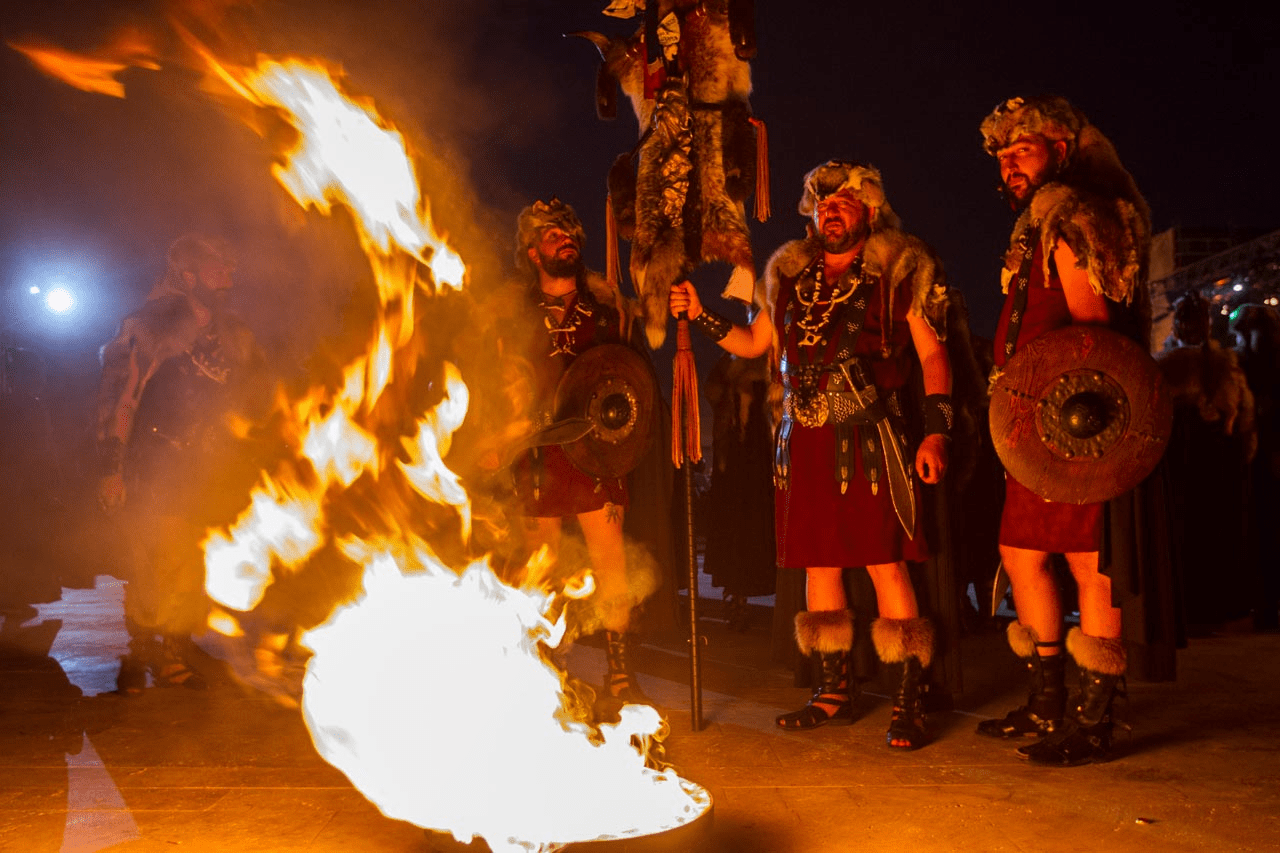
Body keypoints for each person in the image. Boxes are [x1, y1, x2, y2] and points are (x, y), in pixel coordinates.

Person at [670, 161, 953, 750]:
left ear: (869, 211)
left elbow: (931, 356)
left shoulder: (896, 275)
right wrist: (698, 314)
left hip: (869, 443)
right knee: (818, 566)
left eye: (845, 200)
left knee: (885, 565)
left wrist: (936, 431)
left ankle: (909, 698)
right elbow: (752, 344)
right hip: (803, 444)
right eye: (822, 201)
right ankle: (834, 691)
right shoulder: (791, 282)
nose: (831, 208)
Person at [975, 96, 1161, 765]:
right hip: (1034, 429)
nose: (1009, 163)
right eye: (1001, 154)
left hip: (1075, 427)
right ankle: (1048, 698)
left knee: (1089, 562)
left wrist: (1075, 432)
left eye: (1022, 148)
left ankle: (1096, 714)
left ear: (1061, 147)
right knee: (1022, 554)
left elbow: (1094, 335)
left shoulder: (1076, 217)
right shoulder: (1037, 223)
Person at [95, 234, 267, 694]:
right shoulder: (150, 327)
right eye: (218, 270)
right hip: (154, 462)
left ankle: (173, 652)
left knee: (189, 564)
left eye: (231, 271)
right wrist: (111, 467)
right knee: (149, 562)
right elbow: (124, 401)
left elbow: (252, 402)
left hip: (205, 469)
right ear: (189, 277)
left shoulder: (234, 335)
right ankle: (137, 654)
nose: (228, 279)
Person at [505, 198, 653, 709]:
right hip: (538, 452)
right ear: (533, 251)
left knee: (610, 561)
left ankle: (618, 671)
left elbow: (632, 371)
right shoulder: (513, 313)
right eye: (551, 236)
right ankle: (544, 666)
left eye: (568, 234)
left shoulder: (607, 309)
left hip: (597, 450)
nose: (564, 240)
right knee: (538, 567)